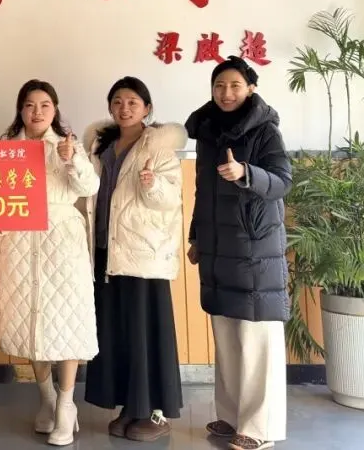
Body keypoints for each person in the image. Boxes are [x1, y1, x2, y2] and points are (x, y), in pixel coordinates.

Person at [186, 56, 291, 450]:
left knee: (256, 338)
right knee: (227, 334)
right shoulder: (208, 132)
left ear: (250, 88)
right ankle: (231, 417)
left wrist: (246, 173)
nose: (226, 93)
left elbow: (282, 181)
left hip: (254, 248)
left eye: (234, 85)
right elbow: (203, 191)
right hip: (217, 247)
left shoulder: (265, 131)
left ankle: (260, 428)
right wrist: (197, 236)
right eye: (219, 86)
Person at [82, 77, 186, 441]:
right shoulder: (100, 146)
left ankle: (155, 413)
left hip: (143, 254)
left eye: (132, 102)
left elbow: (171, 199)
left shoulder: (158, 147)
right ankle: (129, 407)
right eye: (117, 101)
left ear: (147, 108)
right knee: (118, 332)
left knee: (146, 333)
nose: (124, 108)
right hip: (105, 251)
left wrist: (152, 184)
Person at [0, 79, 99, 447]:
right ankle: (47, 398)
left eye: (44, 105)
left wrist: (72, 160)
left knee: (67, 320)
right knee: (30, 320)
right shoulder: (6, 149)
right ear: (20, 110)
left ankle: (67, 405)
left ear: (55, 110)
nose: (36, 112)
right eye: (29, 105)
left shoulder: (68, 145)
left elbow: (89, 188)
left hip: (62, 240)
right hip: (20, 241)